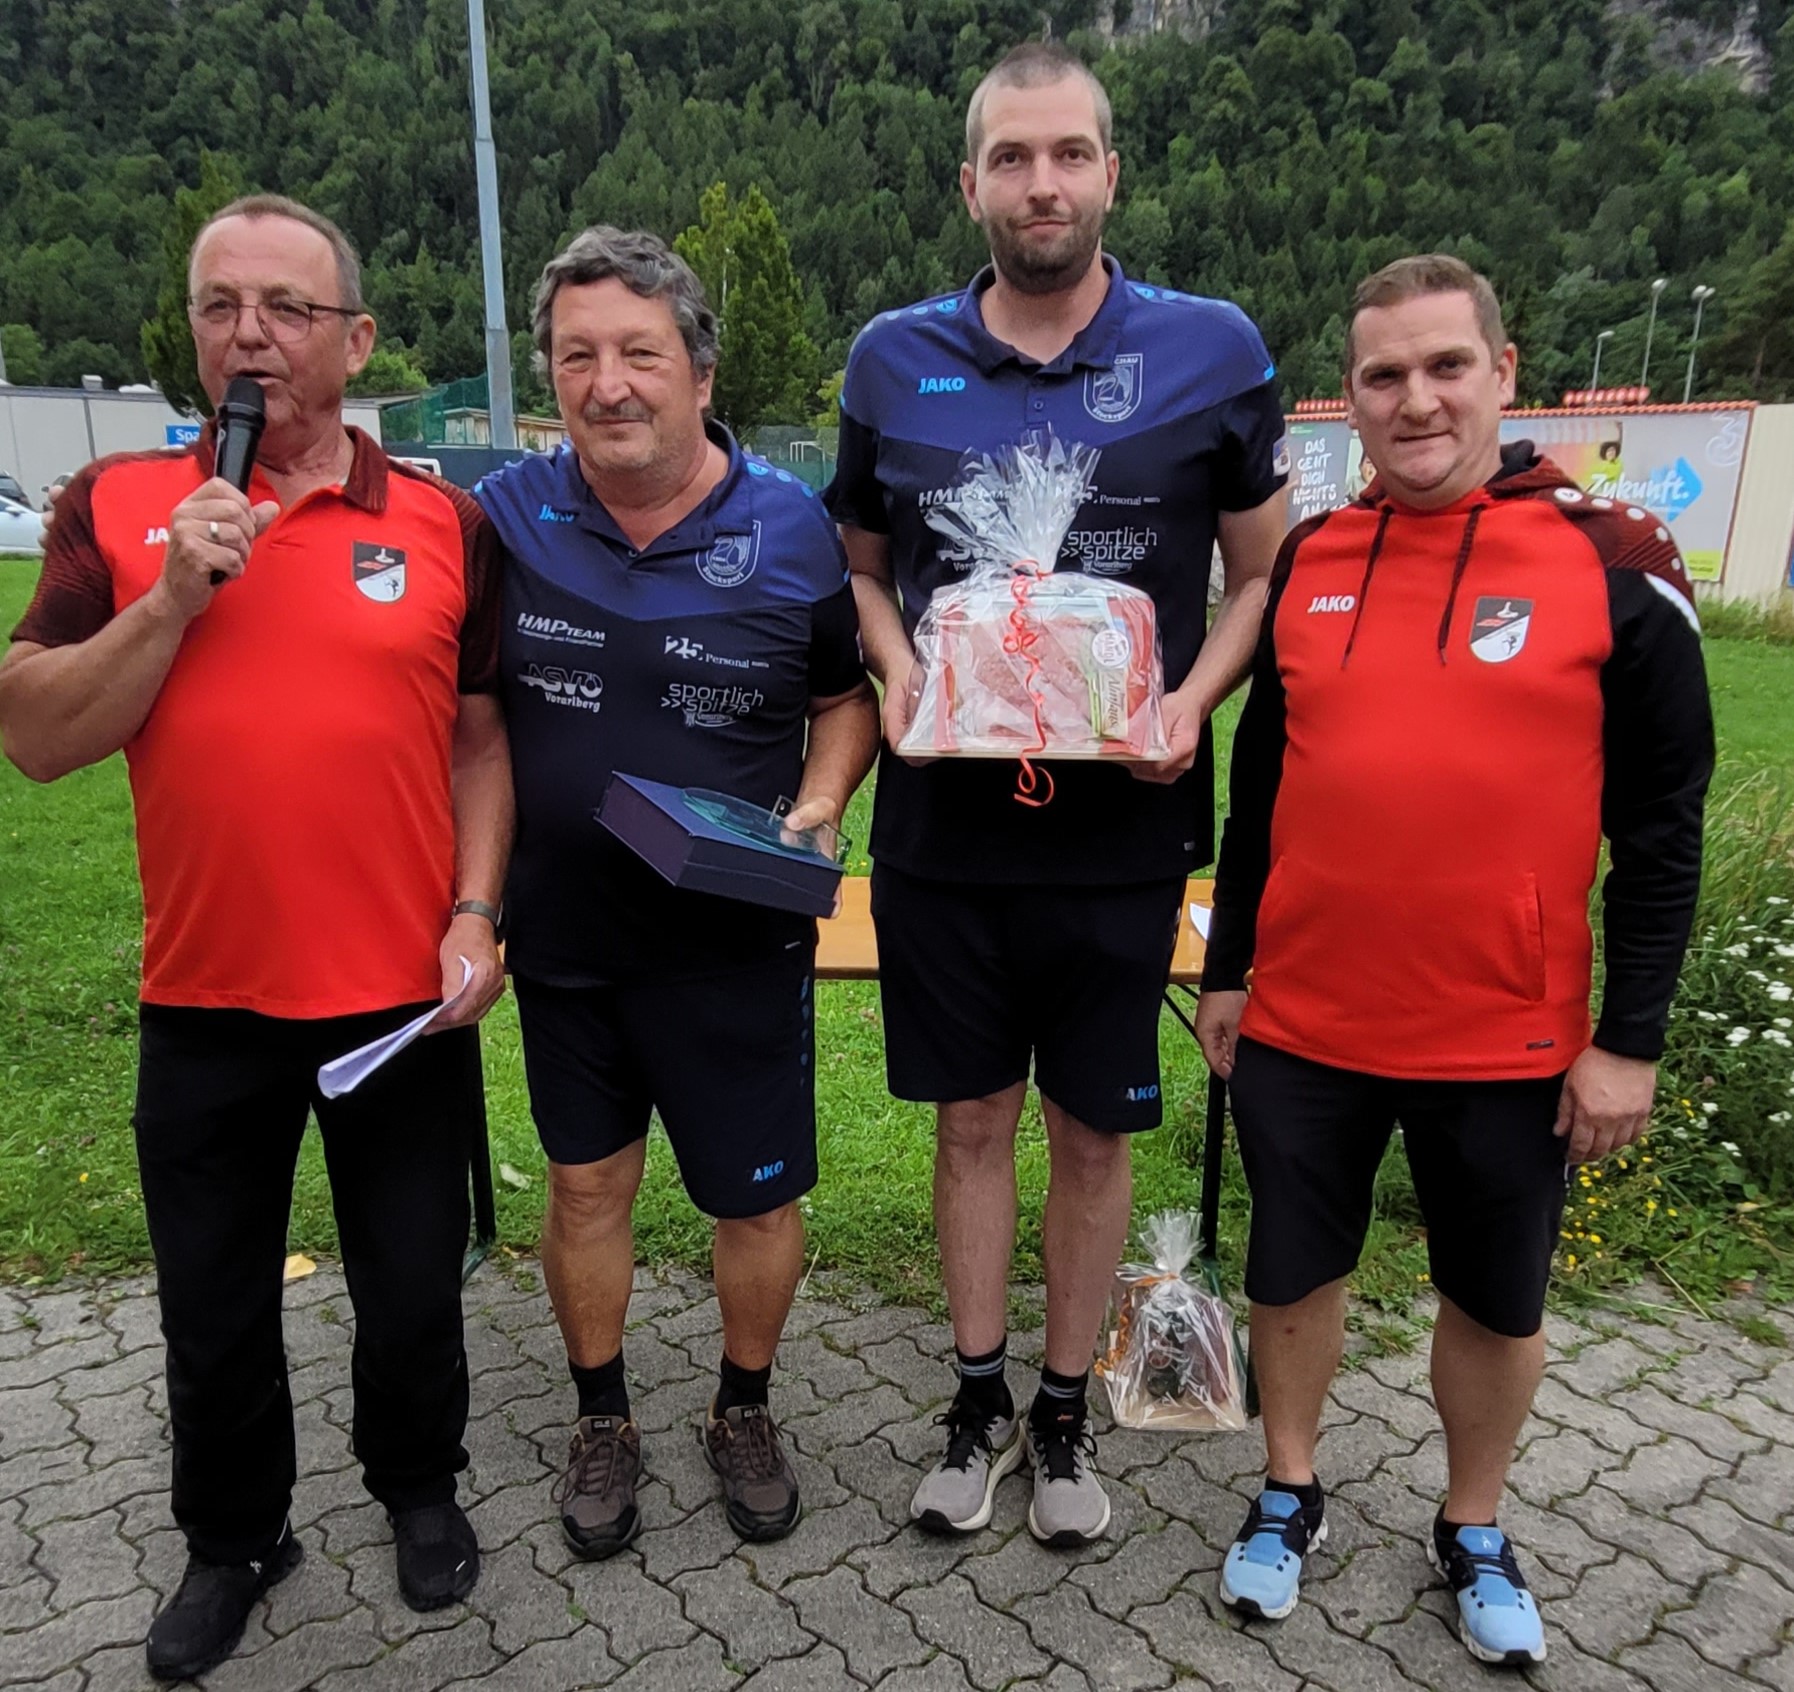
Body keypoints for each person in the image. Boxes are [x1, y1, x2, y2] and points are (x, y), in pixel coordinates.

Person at [0, 195, 511, 1681]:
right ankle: (233, 1538)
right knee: (213, 1308)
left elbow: (482, 742)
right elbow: (37, 736)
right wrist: (172, 596)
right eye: (221, 305)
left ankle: (418, 1485)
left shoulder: (445, 522)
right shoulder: (114, 506)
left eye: (288, 308)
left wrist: (477, 911)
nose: (251, 335)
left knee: (410, 1288)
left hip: (397, 999)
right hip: (207, 993)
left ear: (356, 340)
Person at [1196, 254, 1713, 1665]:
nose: (1414, 399)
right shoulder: (1312, 556)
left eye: (1444, 366)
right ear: (1349, 396)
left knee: (1493, 1297)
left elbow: (1662, 828)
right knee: (1291, 1272)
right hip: (1306, 1021)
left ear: (1502, 370)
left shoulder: (1614, 558)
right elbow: (1260, 791)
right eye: (1383, 375)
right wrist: (1229, 970)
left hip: (1508, 1038)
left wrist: (1630, 1040)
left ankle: (1472, 1523)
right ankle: (1288, 1488)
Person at [824, 42, 1289, 1545]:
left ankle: (1068, 1410)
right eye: (1013, 157)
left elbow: (1261, 571)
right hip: (945, 834)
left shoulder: (1212, 348)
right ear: (970, 181)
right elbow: (860, 569)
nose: (1043, 183)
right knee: (970, 1121)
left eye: (1069, 153)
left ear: (1110, 174)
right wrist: (903, 671)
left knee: (1094, 1133)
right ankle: (977, 1400)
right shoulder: (890, 357)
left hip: (1121, 832)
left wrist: (1188, 700)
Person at [472, 227, 877, 1556]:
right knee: (587, 1190)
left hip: (732, 941)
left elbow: (845, 701)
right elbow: (462, 718)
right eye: (576, 356)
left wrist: (819, 805)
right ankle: (602, 1418)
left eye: (639, 353)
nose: (607, 384)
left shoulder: (791, 528)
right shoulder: (505, 519)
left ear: (700, 374)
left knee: (753, 1201)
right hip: (568, 943)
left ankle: (741, 1406)